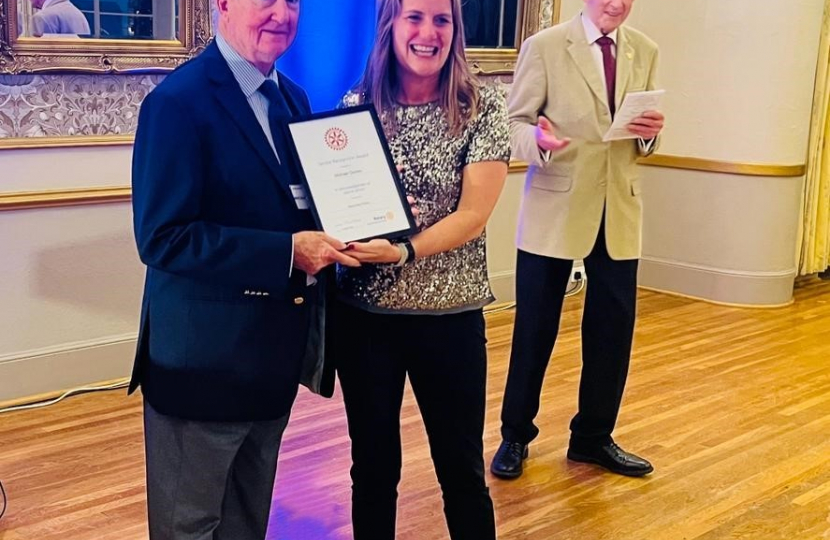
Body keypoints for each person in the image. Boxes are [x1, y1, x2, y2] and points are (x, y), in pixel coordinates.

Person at [129, 0, 360, 538]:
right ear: (223, 5)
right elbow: (163, 238)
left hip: (271, 361)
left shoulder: (294, 100)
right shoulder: (177, 103)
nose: (281, 13)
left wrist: (376, 217)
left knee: (247, 522)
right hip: (202, 368)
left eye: (292, 1)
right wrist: (286, 253)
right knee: (189, 525)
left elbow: (301, 207)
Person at [333, 0, 510, 537]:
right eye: (415, 17)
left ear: (455, 30)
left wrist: (403, 251)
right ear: (391, 24)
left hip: (448, 319)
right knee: (373, 469)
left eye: (442, 20)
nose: (428, 32)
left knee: (460, 470)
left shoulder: (482, 107)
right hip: (365, 317)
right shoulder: (355, 105)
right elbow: (338, 198)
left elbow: (473, 216)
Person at [490, 0, 665, 480]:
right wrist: (539, 144)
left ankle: (592, 438)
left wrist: (650, 135)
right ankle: (515, 436)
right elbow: (514, 124)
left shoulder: (644, 50)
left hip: (619, 211)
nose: (617, 4)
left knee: (613, 333)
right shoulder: (544, 47)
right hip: (556, 206)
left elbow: (641, 133)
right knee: (534, 330)